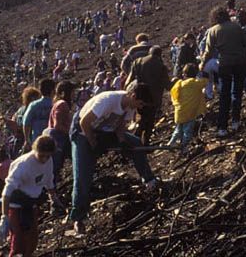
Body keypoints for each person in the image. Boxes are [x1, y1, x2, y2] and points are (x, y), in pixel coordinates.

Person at [69, 90, 157, 234]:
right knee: (82, 175)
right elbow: (84, 122)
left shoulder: (130, 105)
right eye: (140, 103)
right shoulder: (107, 101)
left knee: (135, 143)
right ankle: (78, 218)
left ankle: (149, 181)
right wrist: (93, 144)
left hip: (104, 131)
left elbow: (120, 124)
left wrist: (122, 140)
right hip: (83, 133)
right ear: (133, 96)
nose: (140, 107)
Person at [0, 136, 63, 257]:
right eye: (41, 155)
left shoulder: (48, 161)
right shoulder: (23, 165)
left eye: (48, 156)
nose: (44, 159)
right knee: (18, 241)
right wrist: (4, 217)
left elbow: (49, 180)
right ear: (35, 150)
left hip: (31, 203)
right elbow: (7, 191)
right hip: (16, 204)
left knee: (32, 241)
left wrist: (53, 198)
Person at [201, 6, 246, 137]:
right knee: (237, 92)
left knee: (224, 94)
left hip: (225, 64)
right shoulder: (236, 27)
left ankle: (222, 127)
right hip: (240, 62)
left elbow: (208, 51)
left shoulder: (213, 30)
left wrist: (202, 64)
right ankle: (235, 121)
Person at [125, 46, 171, 146]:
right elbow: (167, 85)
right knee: (149, 121)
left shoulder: (137, 61)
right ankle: (144, 143)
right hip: (153, 98)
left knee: (140, 118)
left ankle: (135, 142)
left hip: (138, 96)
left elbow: (129, 80)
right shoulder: (161, 66)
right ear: (159, 55)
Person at [168, 63, 207, 150]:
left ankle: (171, 143)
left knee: (178, 130)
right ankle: (184, 146)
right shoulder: (196, 83)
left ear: (184, 74)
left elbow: (174, 96)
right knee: (187, 131)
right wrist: (203, 71)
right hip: (190, 113)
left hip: (179, 112)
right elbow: (205, 81)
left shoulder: (179, 84)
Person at [46, 81, 74, 181]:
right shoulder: (62, 104)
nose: (74, 94)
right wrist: (70, 132)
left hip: (57, 137)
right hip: (58, 138)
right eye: (72, 92)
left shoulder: (58, 103)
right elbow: (57, 125)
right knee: (55, 165)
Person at [22, 79, 55, 151]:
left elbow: (26, 123)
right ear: (53, 91)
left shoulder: (34, 105)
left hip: (37, 140)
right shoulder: (55, 104)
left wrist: (27, 140)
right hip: (53, 140)